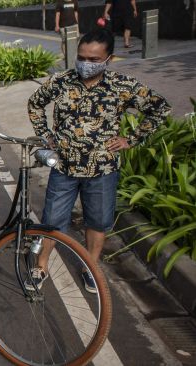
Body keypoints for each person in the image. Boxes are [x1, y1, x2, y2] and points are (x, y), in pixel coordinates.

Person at [26, 29, 171, 293]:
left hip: (103, 168)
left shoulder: (122, 86)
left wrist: (132, 138)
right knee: (52, 220)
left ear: (108, 59)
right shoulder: (61, 81)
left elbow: (160, 107)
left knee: (98, 221)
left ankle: (90, 266)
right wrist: (46, 135)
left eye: (93, 59)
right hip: (64, 166)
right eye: (81, 57)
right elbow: (35, 104)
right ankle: (41, 264)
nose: (85, 63)